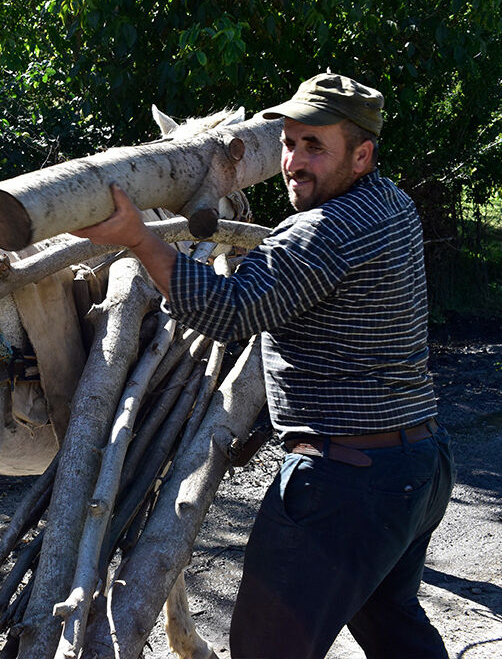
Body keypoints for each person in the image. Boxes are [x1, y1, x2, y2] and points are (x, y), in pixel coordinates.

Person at [73, 73, 455, 659]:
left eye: (314, 147)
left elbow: (230, 312)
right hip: (415, 464)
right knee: (391, 622)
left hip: (345, 482)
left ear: (362, 155)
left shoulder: (326, 231)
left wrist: (139, 238)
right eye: (290, 143)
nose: (293, 162)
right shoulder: (391, 203)